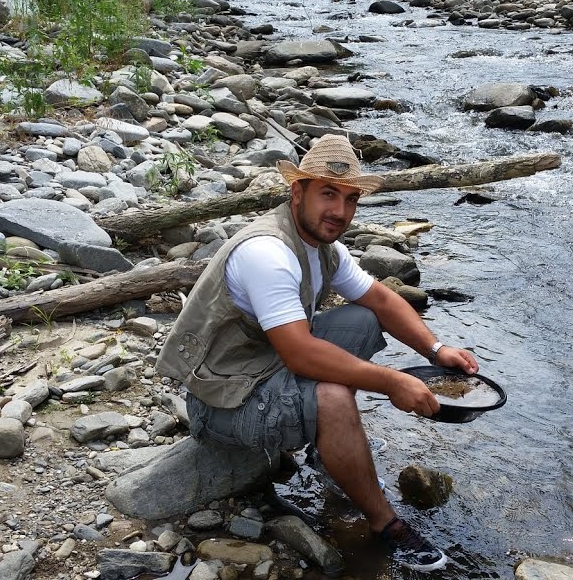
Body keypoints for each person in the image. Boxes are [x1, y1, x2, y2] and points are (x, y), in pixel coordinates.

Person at [156, 134, 479, 572]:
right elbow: (302, 356)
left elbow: (381, 301)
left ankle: (327, 451)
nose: (340, 212)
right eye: (328, 194)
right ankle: (385, 524)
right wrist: (392, 381)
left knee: (364, 318)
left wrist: (436, 349)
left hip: (262, 365)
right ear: (297, 191)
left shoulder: (324, 248)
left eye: (350, 199)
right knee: (333, 397)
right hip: (220, 400)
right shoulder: (267, 252)